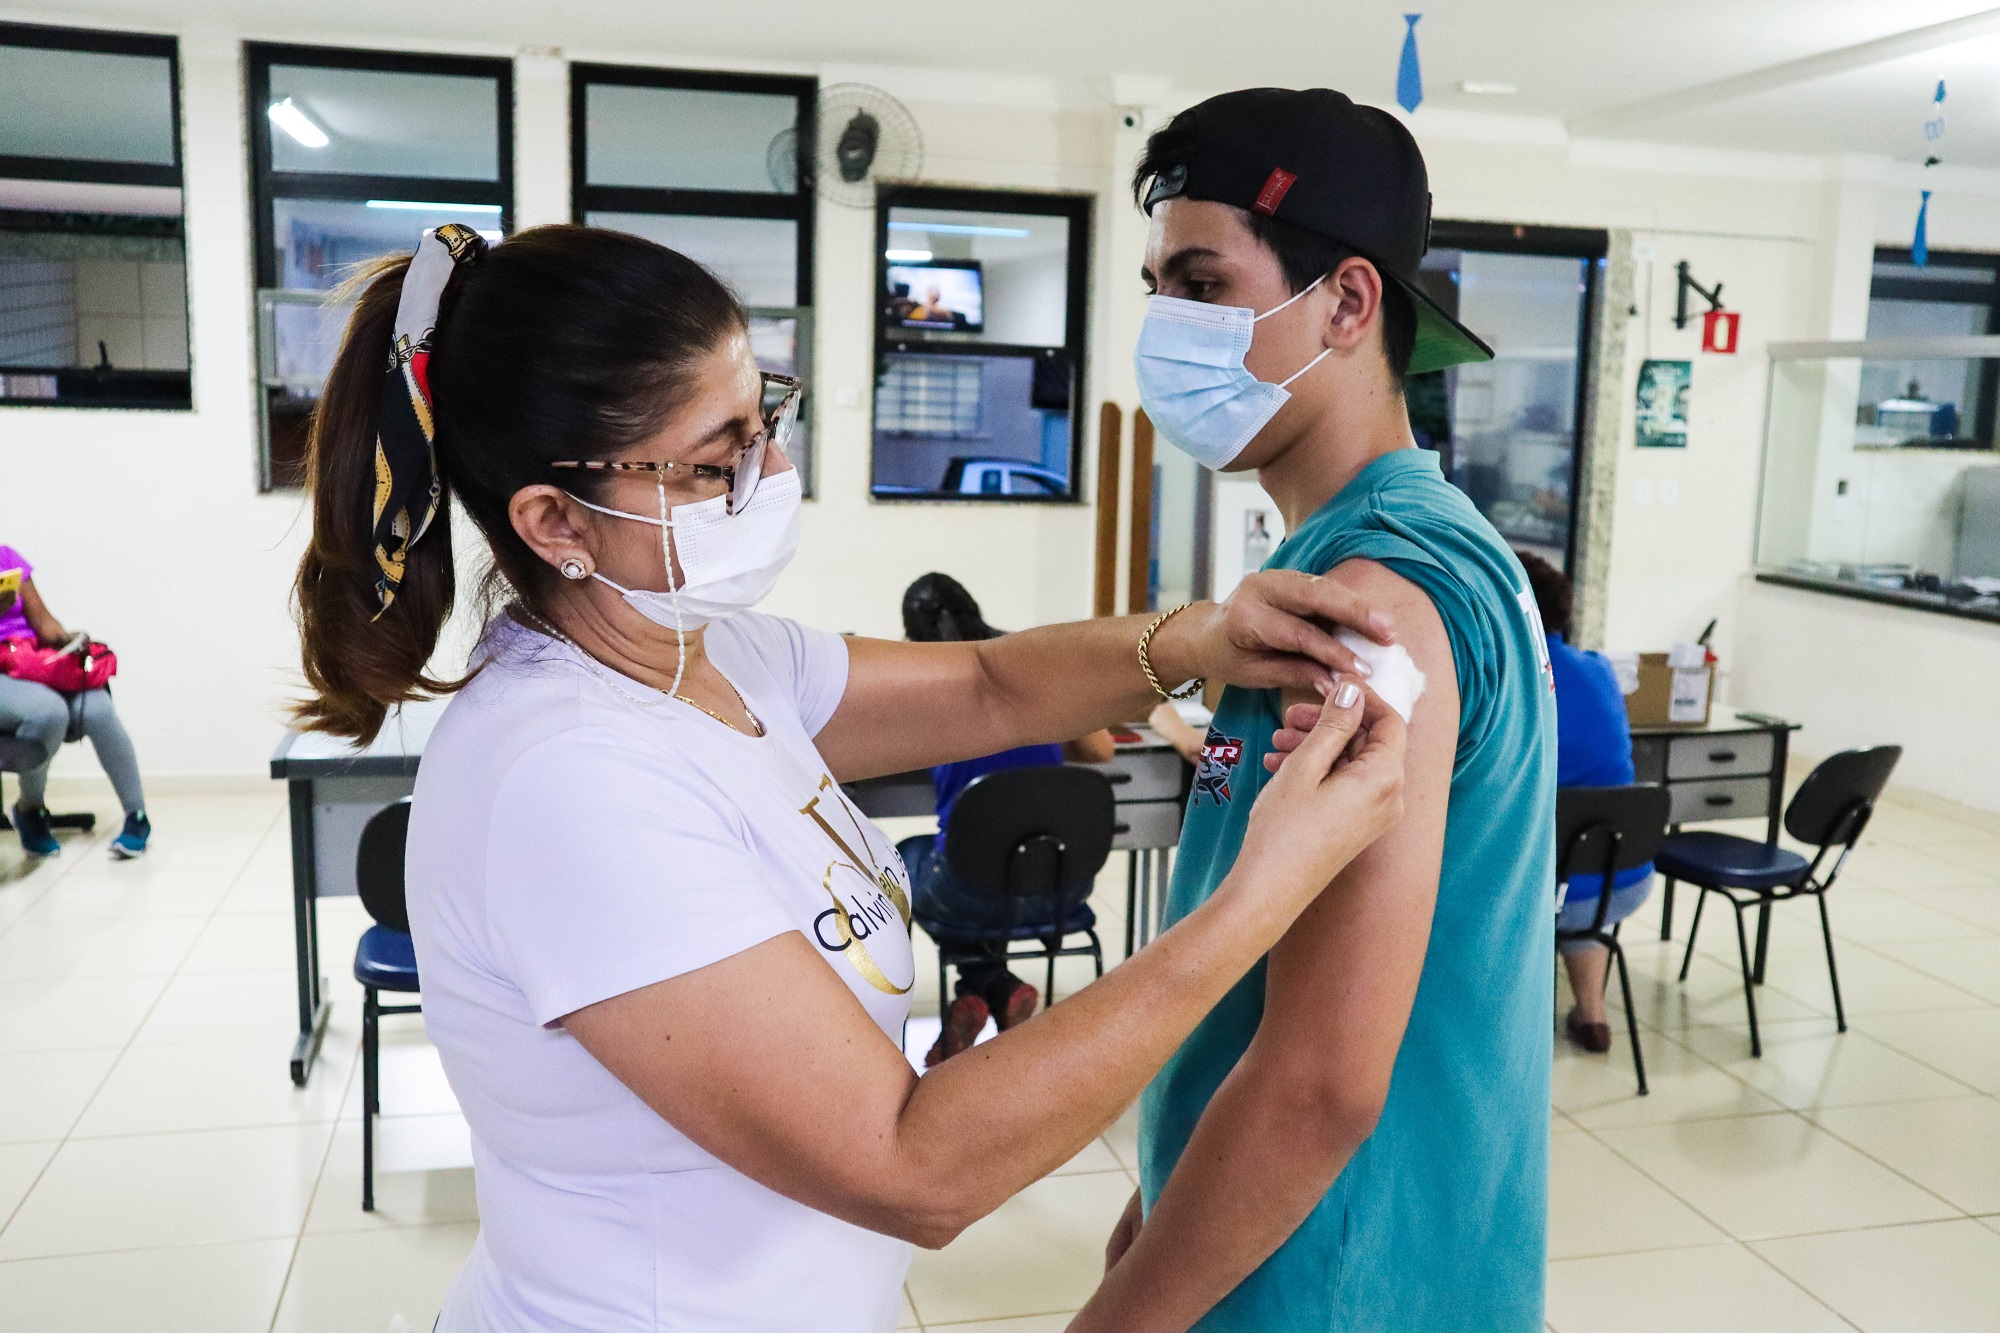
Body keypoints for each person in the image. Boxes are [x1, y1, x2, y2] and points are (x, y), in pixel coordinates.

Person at [291, 222, 1410, 1331]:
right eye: (717, 455)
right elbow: (912, 1165)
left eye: (766, 416)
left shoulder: (710, 657)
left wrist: (1197, 639)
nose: (772, 472)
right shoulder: (568, 778)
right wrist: (1261, 892)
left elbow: (985, 685)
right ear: (554, 521)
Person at [1074, 89, 1558, 1333]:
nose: (1164, 326)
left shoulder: (1372, 600)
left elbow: (1319, 1085)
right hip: (1368, 1250)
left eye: (1200, 280)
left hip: (1324, 1277)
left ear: (1346, 303)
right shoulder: (1403, 552)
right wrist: (1153, 1215)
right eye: (1155, 287)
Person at [895, 572, 1117, 1065]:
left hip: (970, 896)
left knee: (906, 861)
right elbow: (1100, 749)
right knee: (980, 857)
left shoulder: (921, 680)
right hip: (1062, 890)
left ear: (913, 638)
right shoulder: (1036, 665)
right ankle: (993, 987)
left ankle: (985, 983)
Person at [1516, 549, 1655, 1055]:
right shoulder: (1599, 670)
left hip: (1545, 889)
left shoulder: (1511, 683)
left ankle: (1507, 1025)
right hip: (1624, 880)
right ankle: (1592, 1015)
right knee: (1575, 864)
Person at [0, 544, 149, 858]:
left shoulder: (6, 557)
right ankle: (30, 809)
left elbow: (43, 623)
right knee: (48, 711)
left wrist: (67, 641)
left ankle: (137, 816)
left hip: (30, 659)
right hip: (3, 670)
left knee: (96, 707)